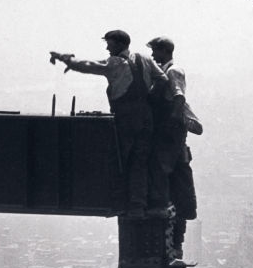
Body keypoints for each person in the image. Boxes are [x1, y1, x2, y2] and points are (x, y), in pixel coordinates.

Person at [50, 30, 169, 217]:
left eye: (110, 44)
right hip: (145, 117)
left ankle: (122, 203)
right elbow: (162, 79)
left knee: (121, 160)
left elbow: (90, 65)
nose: (107, 48)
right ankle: (138, 205)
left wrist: (68, 61)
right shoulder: (145, 59)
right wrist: (149, 98)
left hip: (125, 118)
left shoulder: (115, 64)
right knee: (140, 161)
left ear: (120, 44)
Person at [146, 36, 199, 258]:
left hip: (171, 141)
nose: (152, 55)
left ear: (164, 51)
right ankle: (175, 243)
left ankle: (176, 244)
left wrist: (172, 123)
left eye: (155, 51)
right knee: (172, 189)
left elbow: (178, 96)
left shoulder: (173, 71)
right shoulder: (163, 72)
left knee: (176, 190)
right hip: (168, 140)